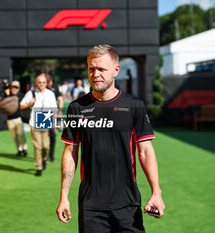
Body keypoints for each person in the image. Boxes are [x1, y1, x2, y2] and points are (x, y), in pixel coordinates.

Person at [56, 45, 165, 233]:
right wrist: (64, 196)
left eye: (101, 69)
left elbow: (146, 151)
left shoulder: (134, 106)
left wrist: (156, 192)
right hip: (91, 204)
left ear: (116, 71)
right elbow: (70, 152)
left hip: (127, 202)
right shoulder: (76, 108)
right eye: (91, 68)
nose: (95, 74)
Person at [20, 73, 57, 176]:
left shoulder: (50, 94)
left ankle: (44, 159)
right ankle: (39, 167)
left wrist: (53, 124)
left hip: (46, 120)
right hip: (34, 121)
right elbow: (21, 106)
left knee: (46, 146)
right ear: (36, 83)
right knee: (37, 146)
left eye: (43, 82)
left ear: (46, 83)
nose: (41, 84)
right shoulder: (30, 93)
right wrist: (29, 103)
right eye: (39, 82)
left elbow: (54, 109)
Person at [0, 80, 27, 156]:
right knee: (14, 136)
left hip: (19, 118)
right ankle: (19, 149)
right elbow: (0, 99)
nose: (14, 89)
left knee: (21, 134)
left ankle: (24, 149)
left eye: (16, 87)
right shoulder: (7, 94)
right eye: (13, 87)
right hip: (10, 119)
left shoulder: (21, 96)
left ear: (18, 88)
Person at [47, 74, 64, 162]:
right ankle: (44, 157)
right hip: (44, 114)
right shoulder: (42, 88)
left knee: (53, 136)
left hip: (53, 113)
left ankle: (51, 156)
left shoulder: (55, 87)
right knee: (45, 137)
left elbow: (60, 99)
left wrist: (60, 110)